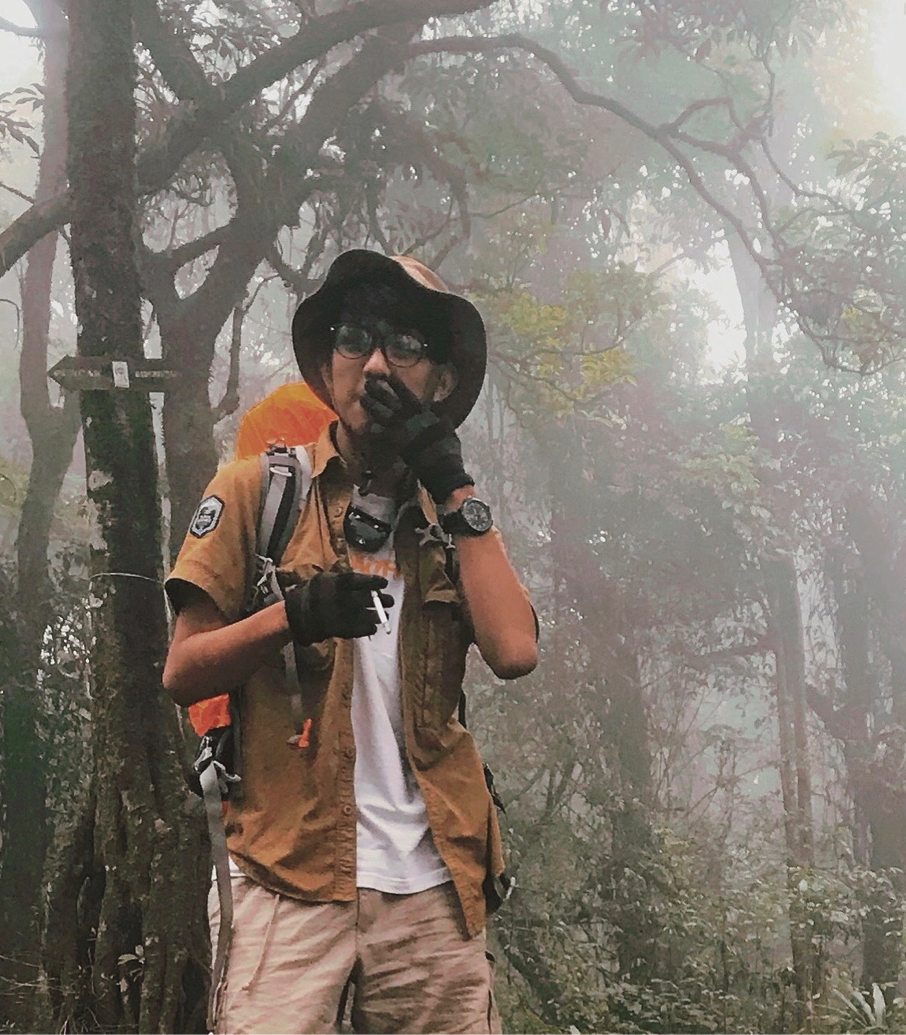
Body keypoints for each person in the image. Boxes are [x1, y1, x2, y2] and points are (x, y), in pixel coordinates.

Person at [162, 249, 538, 1035]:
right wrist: (291, 617)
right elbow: (184, 671)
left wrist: (453, 482)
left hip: (432, 892)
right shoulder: (256, 490)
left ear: (437, 378)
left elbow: (513, 649)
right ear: (327, 366)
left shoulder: (450, 525)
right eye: (355, 338)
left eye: (404, 345)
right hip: (285, 878)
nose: (374, 362)